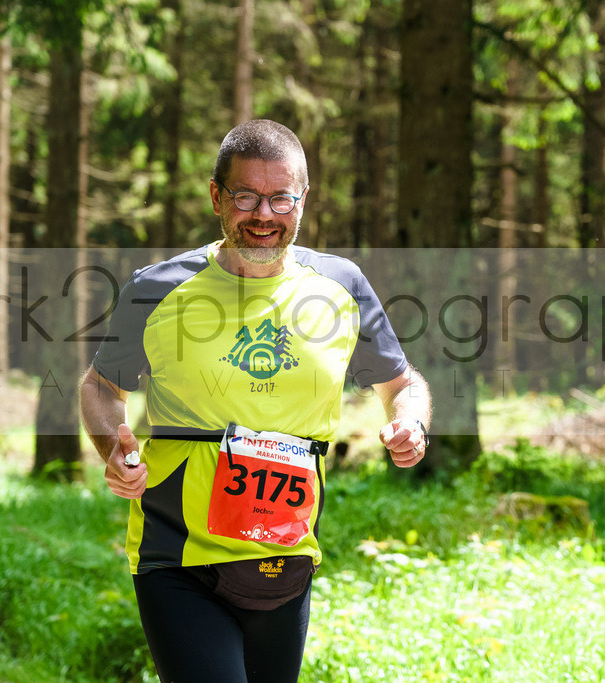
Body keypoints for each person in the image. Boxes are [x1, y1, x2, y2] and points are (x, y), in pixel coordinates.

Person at [80, 119, 431, 682]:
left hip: (285, 553)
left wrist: (410, 420)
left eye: (280, 198)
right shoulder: (157, 288)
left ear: (303, 198)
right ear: (217, 195)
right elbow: (100, 386)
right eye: (246, 196)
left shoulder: (341, 285)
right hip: (179, 554)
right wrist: (111, 450)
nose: (263, 214)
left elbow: (402, 382)